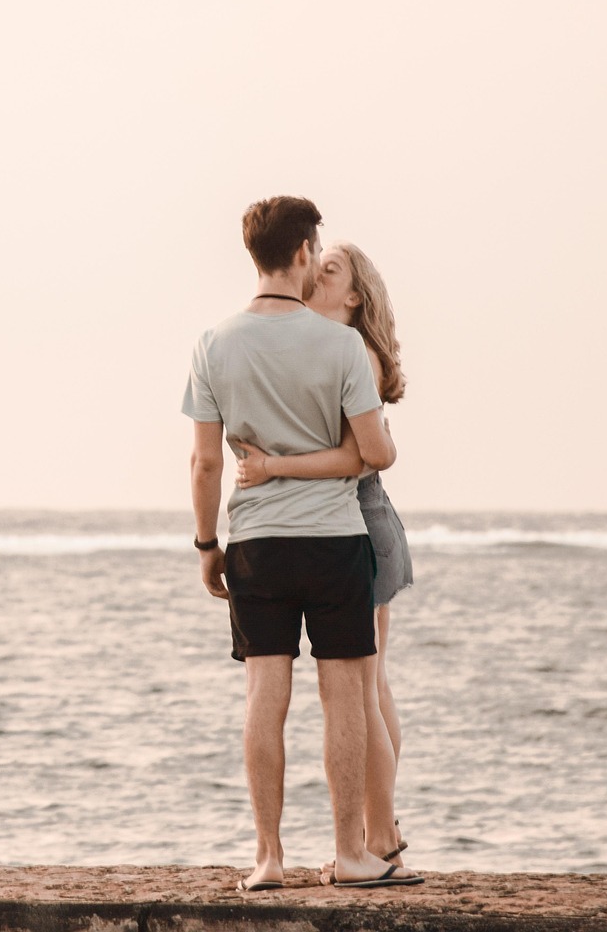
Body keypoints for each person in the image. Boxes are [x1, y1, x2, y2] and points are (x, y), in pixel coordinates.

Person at [182, 197, 422, 891]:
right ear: (299, 254)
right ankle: (353, 853)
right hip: (333, 538)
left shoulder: (213, 342)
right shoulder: (342, 345)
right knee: (346, 694)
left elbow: (203, 464)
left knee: (264, 692)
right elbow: (375, 452)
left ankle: (268, 858)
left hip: (253, 538)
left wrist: (207, 545)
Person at [235, 242, 413, 874]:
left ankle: (381, 838)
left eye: (330, 270)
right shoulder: (318, 343)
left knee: (364, 693)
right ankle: (377, 836)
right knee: (370, 687)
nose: (315, 273)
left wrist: (269, 466)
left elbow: (367, 455)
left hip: (358, 517)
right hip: (341, 521)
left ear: (355, 295)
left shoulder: (351, 349)